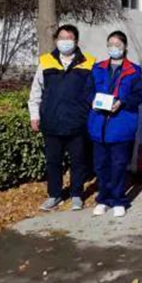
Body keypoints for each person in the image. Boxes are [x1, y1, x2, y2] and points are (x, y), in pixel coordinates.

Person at [28, 24, 95, 212]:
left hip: (77, 123)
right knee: (53, 162)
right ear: (56, 40)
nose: (65, 42)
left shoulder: (88, 63)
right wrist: (34, 115)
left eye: (69, 38)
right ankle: (54, 195)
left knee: (78, 161)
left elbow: (93, 92)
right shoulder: (46, 61)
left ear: (76, 41)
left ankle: (76, 195)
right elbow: (36, 91)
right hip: (52, 122)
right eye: (62, 38)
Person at [88, 31, 142, 218]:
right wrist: (92, 100)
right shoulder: (97, 68)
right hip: (99, 125)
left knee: (119, 165)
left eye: (118, 44)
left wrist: (122, 102)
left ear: (125, 47)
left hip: (121, 125)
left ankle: (119, 200)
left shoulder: (133, 71)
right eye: (110, 44)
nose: (114, 48)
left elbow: (139, 96)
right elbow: (87, 91)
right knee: (101, 166)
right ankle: (103, 199)